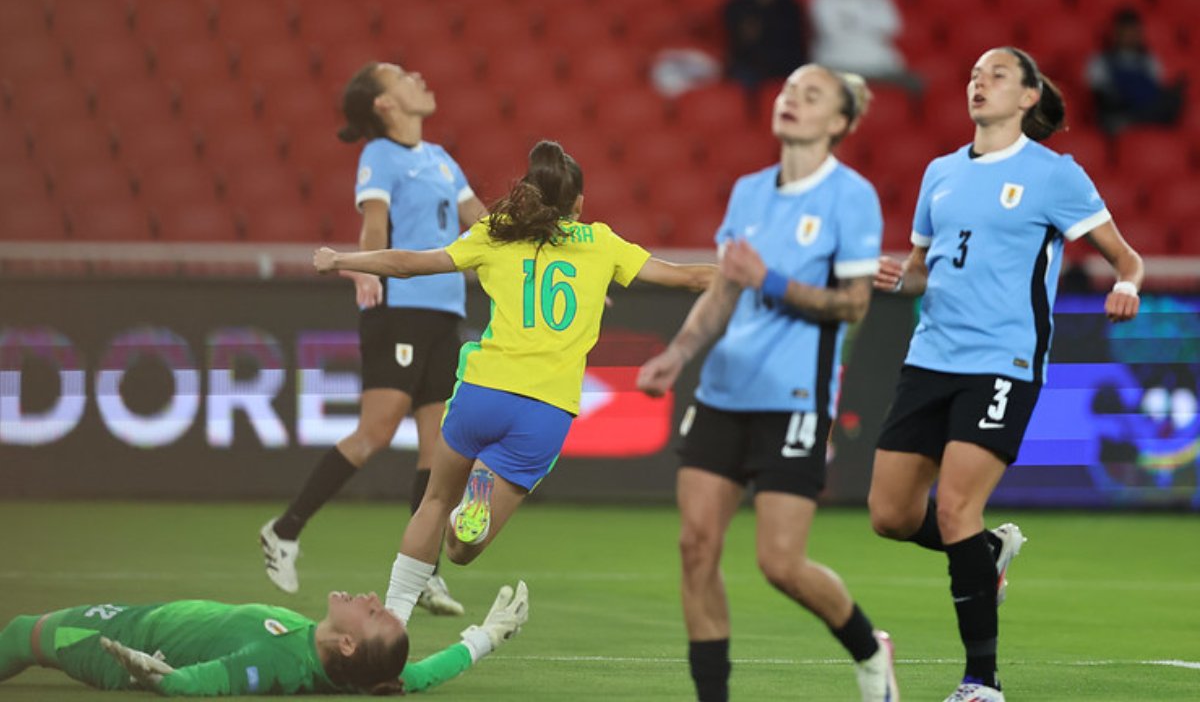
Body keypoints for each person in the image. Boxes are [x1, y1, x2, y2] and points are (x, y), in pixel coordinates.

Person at [311, 140, 716, 624]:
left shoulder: (494, 235)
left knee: (435, 501)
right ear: (579, 204)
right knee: (462, 549)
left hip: (483, 392)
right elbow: (688, 277)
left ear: (528, 192)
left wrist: (341, 260)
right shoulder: (604, 244)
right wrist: (758, 280)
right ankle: (476, 502)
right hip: (545, 409)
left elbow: (412, 263)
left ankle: (393, 623)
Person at [868, 46, 1143, 702]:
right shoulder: (940, 172)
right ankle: (986, 554)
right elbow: (926, 265)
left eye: (996, 75)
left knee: (958, 507)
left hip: (1003, 361)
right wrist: (902, 274)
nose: (979, 83)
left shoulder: (1053, 175)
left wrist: (1128, 284)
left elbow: (1124, 257)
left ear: (1027, 97)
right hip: (930, 357)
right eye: (973, 74)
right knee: (890, 514)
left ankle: (981, 683)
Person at [636, 64, 898, 702]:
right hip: (723, 390)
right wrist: (679, 352)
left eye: (810, 96)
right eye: (786, 91)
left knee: (779, 564)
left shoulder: (851, 196)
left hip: (795, 400)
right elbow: (725, 286)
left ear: (837, 122)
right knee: (696, 546)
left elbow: (855, 304)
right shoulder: (749, 191)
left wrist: (771, 281)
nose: (790, 101)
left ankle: (870, 652)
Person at [260, 61, 487, 616]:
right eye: (402, 76)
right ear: (384, 105)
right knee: (376, 432)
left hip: (443, 312)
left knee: (440, 449)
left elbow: (481, 218)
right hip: (400, 310)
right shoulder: (380, 157)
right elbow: (374, 223)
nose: (419, 77)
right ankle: (283, 531)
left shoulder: (440, 158)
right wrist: (363, 265)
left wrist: (542, 258)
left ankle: (425, 571)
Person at [0, 581, 528, 696]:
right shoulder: (367, 674)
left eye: (374, 613)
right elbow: (422, 675)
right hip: (152, 620)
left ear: (348, 644)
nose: (372, 598)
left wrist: (153, 674)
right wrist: (485, 636)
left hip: (126, 634)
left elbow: (202, 686)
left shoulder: (276, 660)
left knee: (25, 633)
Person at [808, 0, 919, 94]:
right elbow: (832, 32)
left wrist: (851, 22)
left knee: (916, 85)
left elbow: (893, 27)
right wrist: (871, 25)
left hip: (880, 66)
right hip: (838, 66)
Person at [722, 0, 808, 91]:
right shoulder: (738, 3)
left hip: (786, 67)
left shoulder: (791, 4)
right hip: (751, 69)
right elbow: (741, 42)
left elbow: (798, 45)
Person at [1085, 7, 1184, 135]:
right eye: (1125, 32)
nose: (1129, 36)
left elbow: (1156, 89)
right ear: (1116, 33)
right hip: (1117, 116)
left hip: (1146, 112)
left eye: (1133, 32)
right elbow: (1100, 96)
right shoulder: (1100, 61)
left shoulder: (1149, 60)